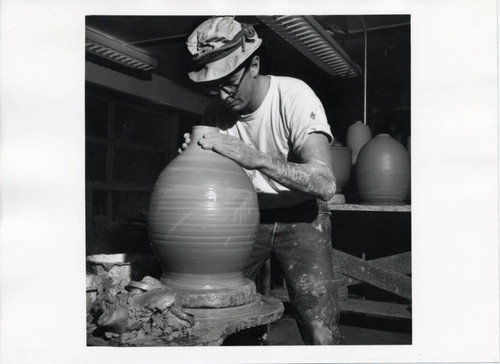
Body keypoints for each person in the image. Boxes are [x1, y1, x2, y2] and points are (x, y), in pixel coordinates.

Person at [184, 16, 343, 345]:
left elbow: (326, 183)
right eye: (213, 86)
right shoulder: (215, 112)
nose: (223, 94)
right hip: (249, 217)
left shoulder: (294, 96)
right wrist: (194, 159)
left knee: (318, 325)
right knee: (221, 306)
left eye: (229, 81)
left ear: (253, 64)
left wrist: (255, 157)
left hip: (301, 215)